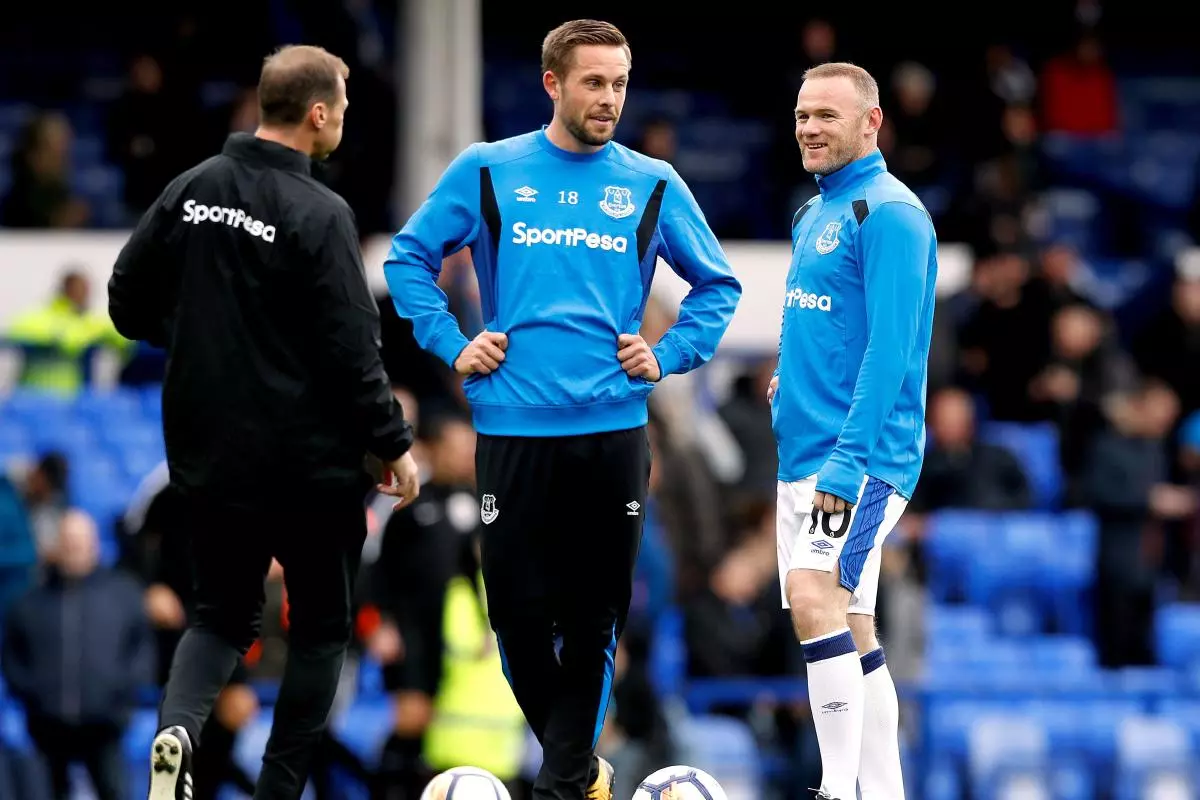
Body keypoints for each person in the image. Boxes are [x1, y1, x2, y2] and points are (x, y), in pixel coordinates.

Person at [383, 19, 742, 800]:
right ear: (553, 83)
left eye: (618, 82)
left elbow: (719, 287)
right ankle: (581, 774)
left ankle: (561, 788)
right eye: (593, 81)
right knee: (512, 618)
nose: (609, 97)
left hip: (613, 431)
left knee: (593, 623)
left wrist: (669, 353)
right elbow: (406, 258)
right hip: (511, 430)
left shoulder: (651, 182)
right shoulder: (488, 171)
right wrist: (452, 342)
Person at [106, 44, 421, 800]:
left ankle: (177, 731)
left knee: (217, 617)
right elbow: (355, 350)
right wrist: (393, 445)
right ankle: (277, 791)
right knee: (318, 631)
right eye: (343, 103)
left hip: (211, 454)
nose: (345, 116)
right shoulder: (321, 212)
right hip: (309, 466)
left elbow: (124, 301)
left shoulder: (192, 189)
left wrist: (194, 329)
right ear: (318, 114)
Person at [769, 62, 938, 800]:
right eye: (804, 114)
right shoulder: (814, 213)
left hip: (858, 459)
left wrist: (849, 461)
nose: (809, 127)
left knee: (813, 596)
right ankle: (884, 792)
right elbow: (826, 323)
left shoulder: (891, 214)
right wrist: (790, 377)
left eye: (827, 116)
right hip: (803, 454)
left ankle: (836, 789)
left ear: (871, 123)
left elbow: (892, 348)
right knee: (853, 625)